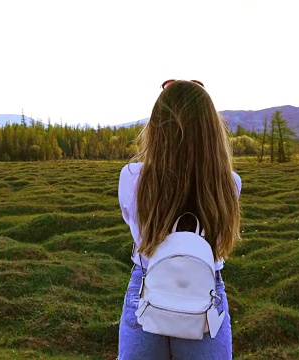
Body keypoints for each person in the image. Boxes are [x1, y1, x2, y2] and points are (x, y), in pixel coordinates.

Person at [117, 79, 242, 359]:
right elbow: (221, 242)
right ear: (211, 130)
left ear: (157, 127)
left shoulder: (133, 178)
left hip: (148, 284)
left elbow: (133, 224)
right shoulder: (229, 183)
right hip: (205, 286)